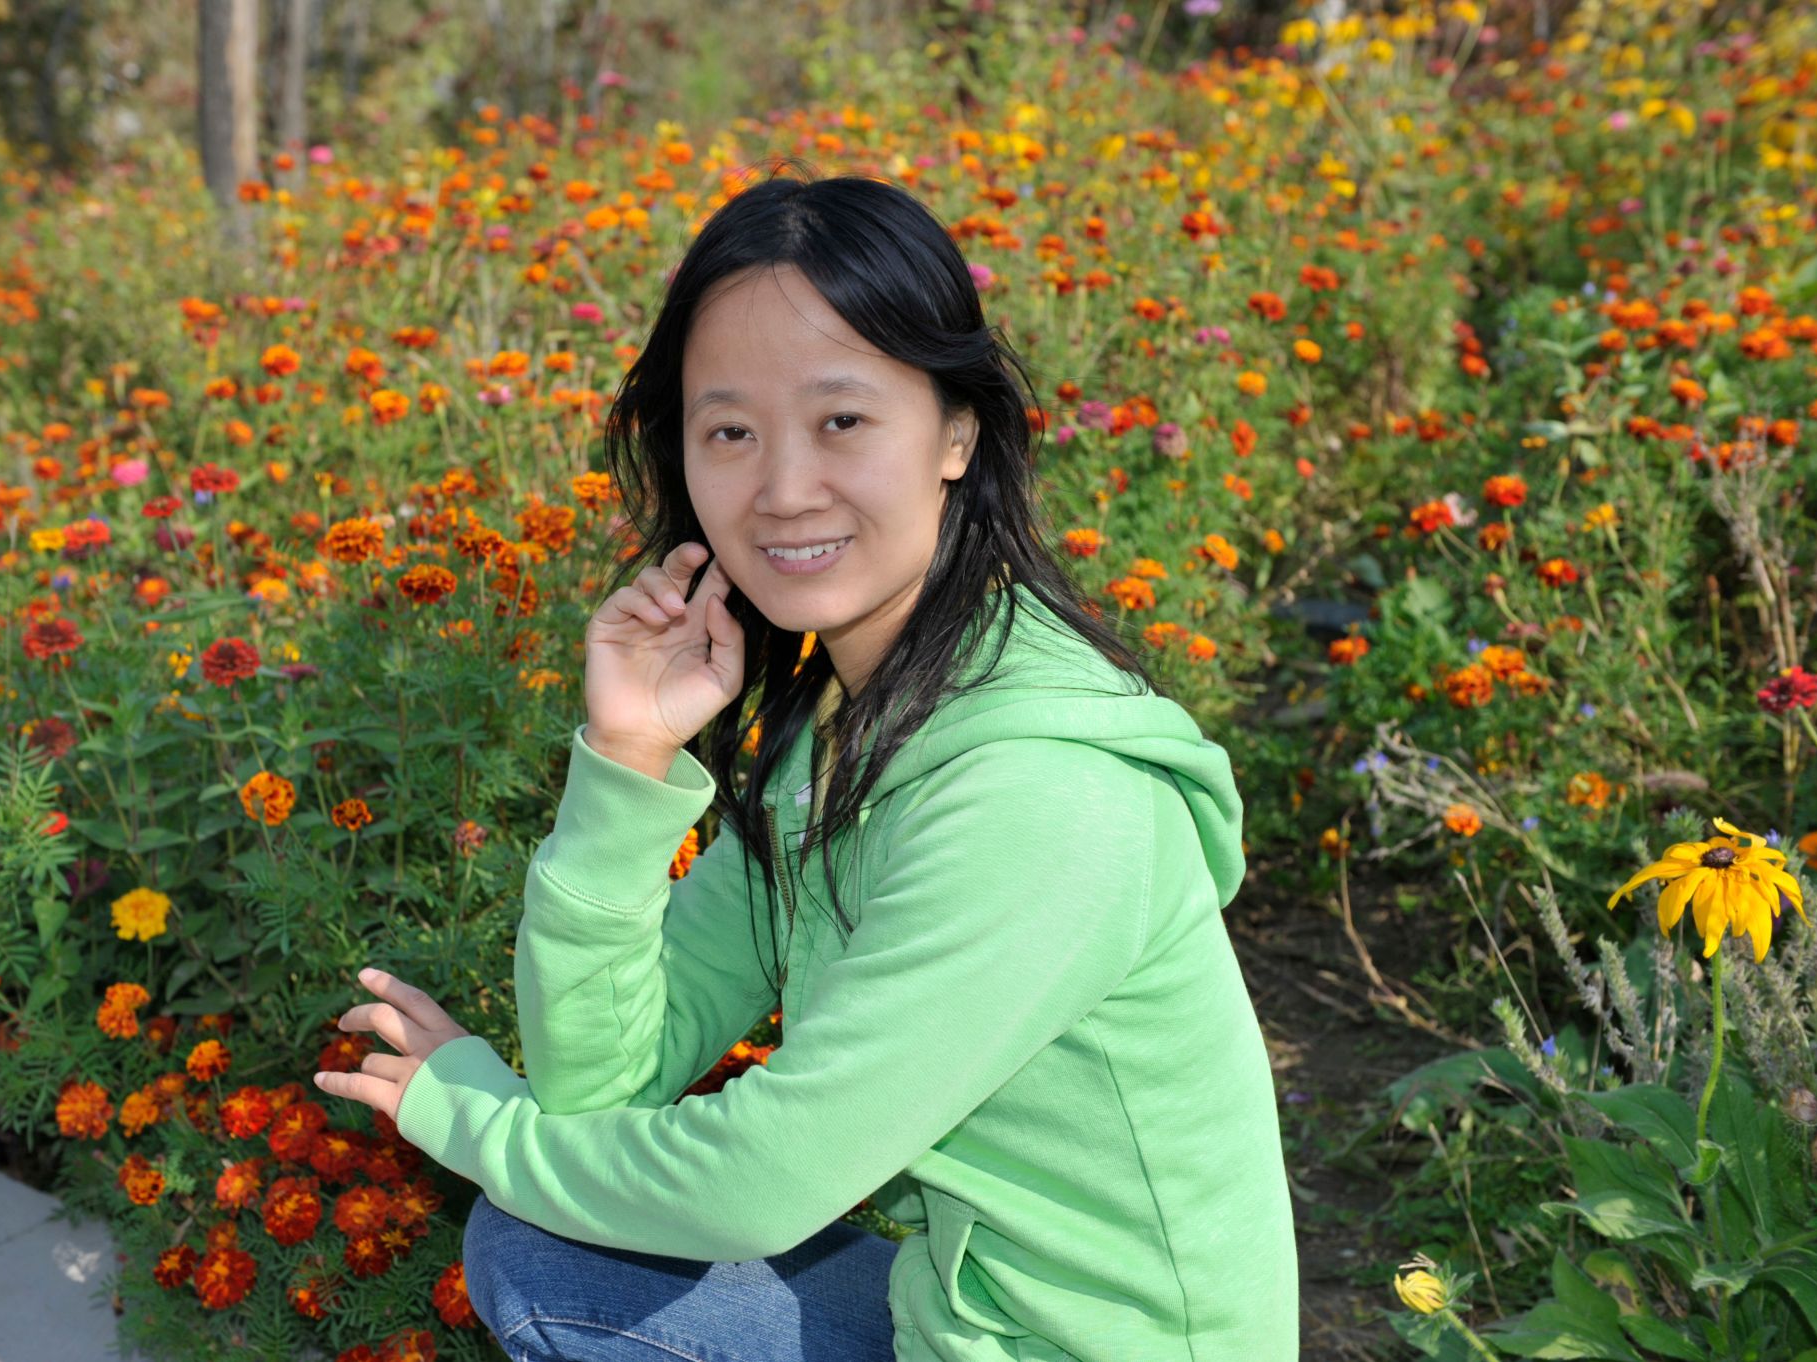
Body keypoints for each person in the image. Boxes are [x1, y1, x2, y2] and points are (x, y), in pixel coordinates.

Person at [313, 162, 1298, 1361]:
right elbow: (606, 1085)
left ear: (954, 430)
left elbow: (757, 1183)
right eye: (730, 431)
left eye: (841, 421)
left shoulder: (1042, 792)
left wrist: (477, 1126)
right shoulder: (844, 720)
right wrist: (626, 757)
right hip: (961, 1318)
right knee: (545, 1253)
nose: (782, 491)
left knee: (546, 1235)